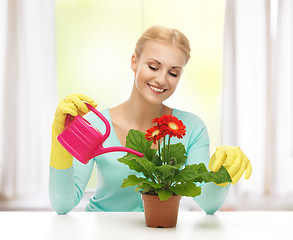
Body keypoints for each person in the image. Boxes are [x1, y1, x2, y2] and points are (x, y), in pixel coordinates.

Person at [49, 25, 252, 214]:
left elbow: (207, 204)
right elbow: (63, 204)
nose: (162, 79)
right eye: (154, 67)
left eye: (173, 73)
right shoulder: (97, 125)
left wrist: (222, 173)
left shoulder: (193, 128)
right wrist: (60, 145)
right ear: (134, 61)